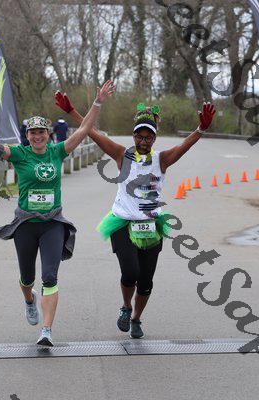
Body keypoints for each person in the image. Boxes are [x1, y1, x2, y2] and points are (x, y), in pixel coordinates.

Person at [0, 80, 116, 346]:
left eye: (41, 132)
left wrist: (98, 102)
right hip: (26, 224)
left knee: (50, 276)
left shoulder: (57, 152)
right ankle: (29, 299)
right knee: (27, 278)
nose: (37, 136)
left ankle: (46, 330)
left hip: (52, 224)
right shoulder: (19, 154)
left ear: (48, 134)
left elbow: (84, 129)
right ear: (28, 135)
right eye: (33, 133)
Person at [56, 92, 215, 338]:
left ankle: (137, 318)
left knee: (146, 280)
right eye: (139, 137)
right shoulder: (122, 155)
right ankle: (126, 306)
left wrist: (200, 130)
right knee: (130, 272)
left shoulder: (162, 160)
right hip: (123, 223)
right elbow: (92, 132)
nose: (143, 141)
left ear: (154, 138)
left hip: (151, 224)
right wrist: (71, 112)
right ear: (134, 136)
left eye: (148, 137)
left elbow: (184, 146)